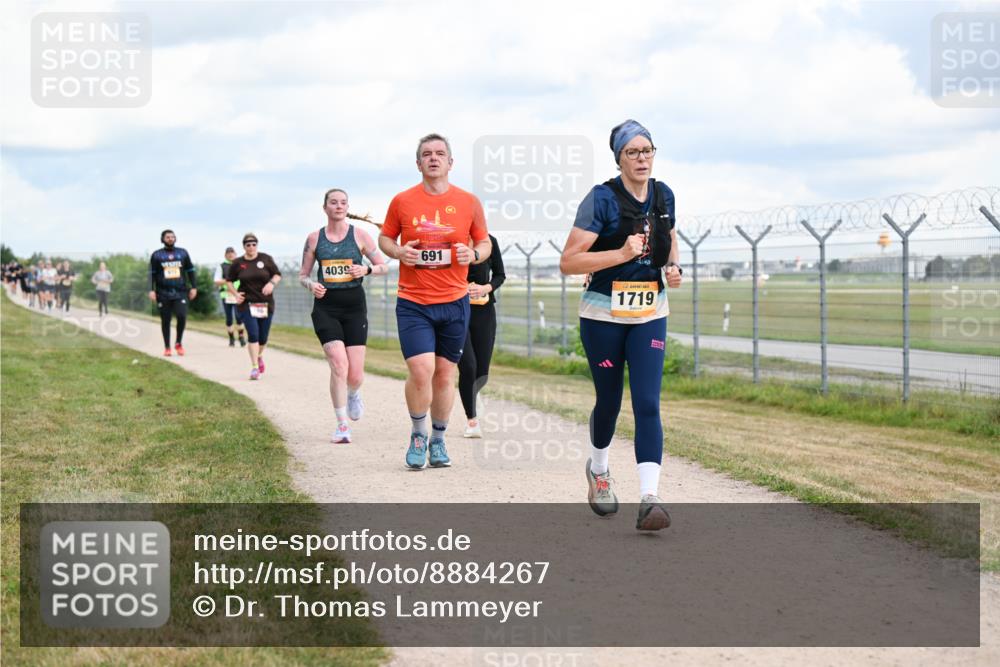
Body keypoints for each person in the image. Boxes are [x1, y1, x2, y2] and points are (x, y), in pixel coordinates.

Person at [559, 119, 683, 532]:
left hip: (650, 312)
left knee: (647, 402)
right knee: (609, 401)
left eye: (648, 150)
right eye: (633, 151)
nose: (642, 158)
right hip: (602, 316)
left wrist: (673, 266)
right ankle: (599, 471)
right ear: (619, 158)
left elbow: (670, 237)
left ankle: (650, 499)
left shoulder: (663, 194)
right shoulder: (601, 200)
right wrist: (619, 253)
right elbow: (569, 262)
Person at [379, 132, 491, 469]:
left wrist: (472, 254)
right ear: (418, 163)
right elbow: (384, 238)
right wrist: (398, 251)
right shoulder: (403, 201)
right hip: (413, 300)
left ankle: (439, 440)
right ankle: (418, 433)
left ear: (450, 162)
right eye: (426, 153)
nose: (433, 158)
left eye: (440, 153)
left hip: (454, 301)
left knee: (445, 375)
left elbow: (485, 244)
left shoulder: (468, 202)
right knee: (421, 370)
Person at [299, 188, 388, 443]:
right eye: (333, 202)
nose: (338, 206)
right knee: (339, 364)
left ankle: (353, 393)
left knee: (355, 375)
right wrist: (311, 285)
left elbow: (383, 266)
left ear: (347, 207)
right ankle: (341, 425)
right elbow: (303, 275)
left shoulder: (360, 235)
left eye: (343, 203)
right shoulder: (314, 239)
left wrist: (367, 270)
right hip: (326, 307)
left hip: (354, 308)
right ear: (325, 207)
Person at [458, 233, 505, 438]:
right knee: (468, 366)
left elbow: (500, 275)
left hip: (484, 311)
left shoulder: (489, 241)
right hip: (456, 312)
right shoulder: (452, 241)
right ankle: (472, 420)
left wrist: (485, 288)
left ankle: (473, 396)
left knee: (482, 372)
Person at [227, 233, 281, 380]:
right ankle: (254, 367)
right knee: (253, 335)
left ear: (257, 245)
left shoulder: (265, 259)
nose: (251, 247)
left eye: (253, 244)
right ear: (244, 246)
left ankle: (259, 355)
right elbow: (229, 281)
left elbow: (277, 274)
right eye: (248, 244)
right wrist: (236, 294)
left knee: (263, 338)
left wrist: (271, 283)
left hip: (265, 303)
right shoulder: (238, 263)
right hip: (247, 304)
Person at [149, 230, 198, 356]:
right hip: (162, 292)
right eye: (167, 237)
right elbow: (151, 274)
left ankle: (178, 343)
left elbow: (190, 270)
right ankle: (167, 347)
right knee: (166, 320)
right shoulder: (156, 255)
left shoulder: (182, 253)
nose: (170, 239)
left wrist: (194, 287)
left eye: (172, 237)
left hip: (180, 291)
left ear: (175, 238)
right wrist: (151, 290)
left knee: (181, 316)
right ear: (162, 239)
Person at [214, 247, 246, 347]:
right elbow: (217, 281)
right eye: (228, 253)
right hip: (226, 295)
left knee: (239, 317)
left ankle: (241, 337)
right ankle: (231, 338)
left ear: (236, 254)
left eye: (232, 253)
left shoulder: (241, 264)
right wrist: (228, 281)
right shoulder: (222, 266)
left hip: (239, 294)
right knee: (229, 318)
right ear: (225, 255)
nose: (230, 255)